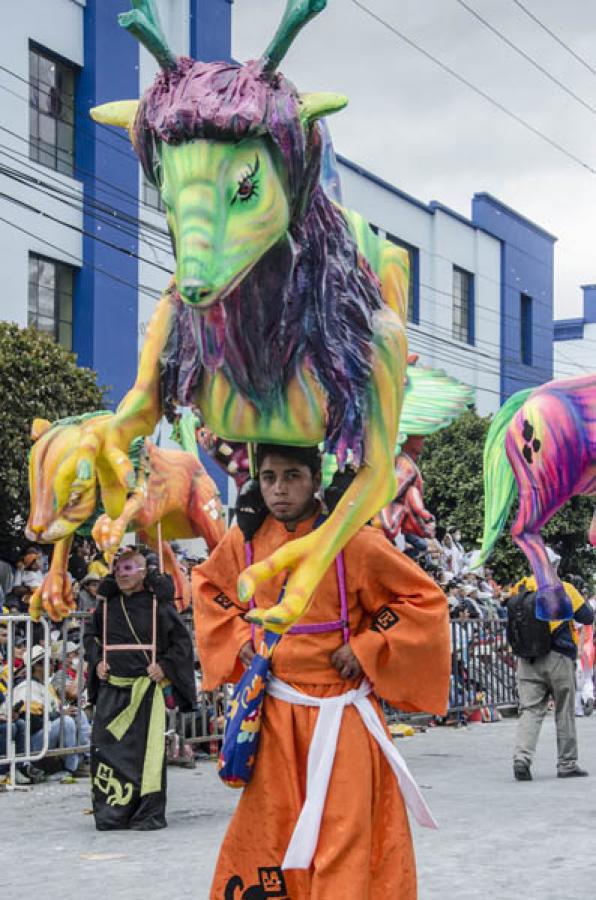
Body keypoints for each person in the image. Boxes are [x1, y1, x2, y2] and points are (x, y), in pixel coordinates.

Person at [194, 444, 450, 899]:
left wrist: (368, 644)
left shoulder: (354, 539)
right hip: (275, 717)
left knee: (344, 834)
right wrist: (242, 642)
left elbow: (421, 600)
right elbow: (210, 589)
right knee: (274, 827)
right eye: (269, 477)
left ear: (315, 479)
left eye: (292, 476)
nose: (279, 489)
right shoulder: (244, 541)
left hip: (341, 717)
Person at [83, 550, 196, 830]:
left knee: (145, 754)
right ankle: (111, 814)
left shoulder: (159, 605)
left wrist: (165, 666)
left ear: (144, 573)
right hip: (113, 688)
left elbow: (182, 643)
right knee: (105, 747)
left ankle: (147, 814)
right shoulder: (106, 606)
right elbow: (90, 637)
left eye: (129, 567)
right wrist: (97, 661)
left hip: (145, 691)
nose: (122, 573)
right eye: (118, 568)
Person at [511, 566, 594, 781]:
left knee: (530, 709)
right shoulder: (563, 588)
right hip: (558, 656)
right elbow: (587, 616)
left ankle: (522, 757)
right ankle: (567, 763)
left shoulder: (519, 589)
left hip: (527, 658)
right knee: (564, 709)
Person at [12, 644, 85, 783]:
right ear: (38, 666)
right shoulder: (25, 687)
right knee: (67, 721)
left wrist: (64, 712)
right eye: (50, 662)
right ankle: (69, 768)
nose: (54, 665)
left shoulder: (47, 686)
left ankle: (83, 760)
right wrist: (59, 714)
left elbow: (58, 708)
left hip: (48, 731)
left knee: (79, 715)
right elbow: (30, 723)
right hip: (33, 741)